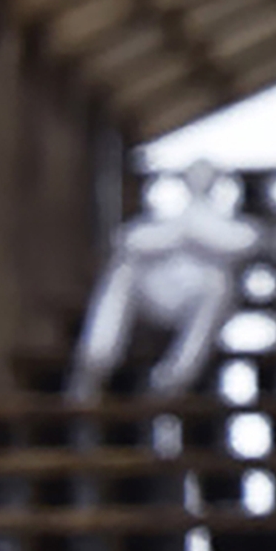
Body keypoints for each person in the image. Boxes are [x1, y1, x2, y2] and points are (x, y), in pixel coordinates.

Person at [69, 159, 262, 399]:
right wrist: (183, 232)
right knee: (123, 272)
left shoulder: (225, 222)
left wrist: (189, 231)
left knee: (218, 286)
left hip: (196, 298)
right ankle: (96, 358)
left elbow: (244, 243)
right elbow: (129, 241)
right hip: (157, 293)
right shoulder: (169, 216)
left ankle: (174, 378)